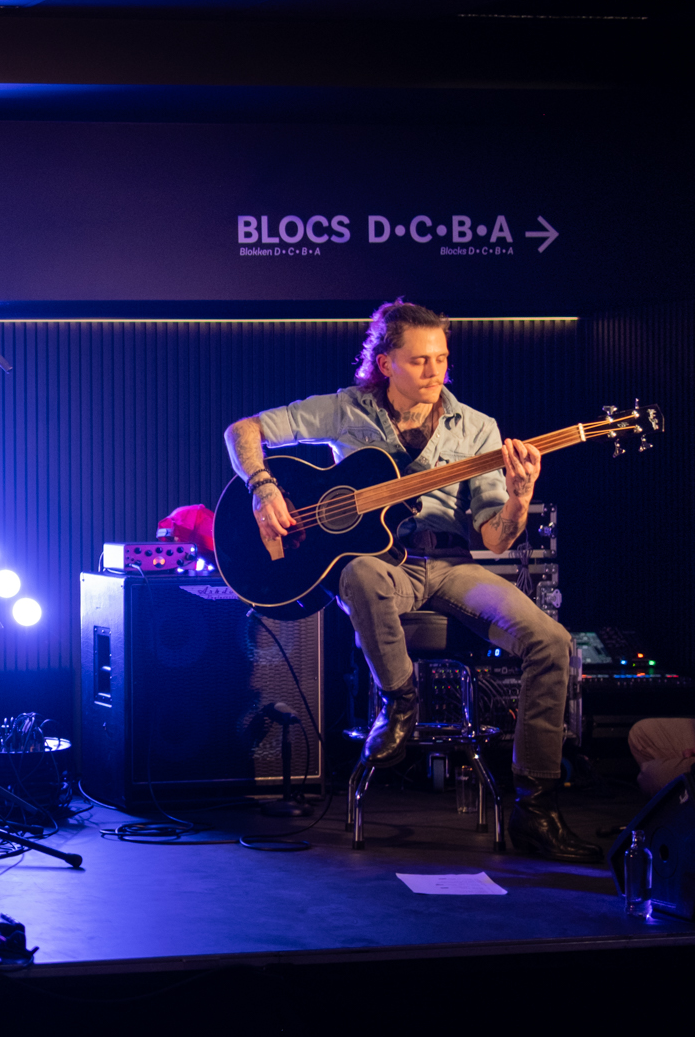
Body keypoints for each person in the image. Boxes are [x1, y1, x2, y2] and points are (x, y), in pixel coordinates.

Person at [224, 298, 596, 862]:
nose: (435, 371)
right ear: (385, 363)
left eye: (442, 358)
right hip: (382, 567)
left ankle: (536, 806)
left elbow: (496, 539)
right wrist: (263, 487)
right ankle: (400, 701)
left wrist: (519, 497)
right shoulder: (345, 409)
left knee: (553, 641)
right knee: (358, 571)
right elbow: (243, 430)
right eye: (420, 360)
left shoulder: (478, 428)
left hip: (452, 565)